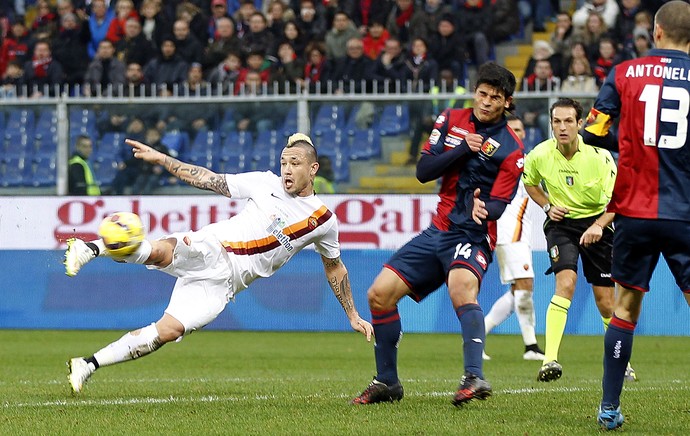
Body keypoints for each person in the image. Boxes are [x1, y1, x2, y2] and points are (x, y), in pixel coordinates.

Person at [64, 132, 374, 394]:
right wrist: (162, 160)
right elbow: (209, 180)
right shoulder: (264, 183)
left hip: (224, 285)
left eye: (295, 164)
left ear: (313, 168)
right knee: (162, 251)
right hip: (215, 248)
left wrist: (353, 314)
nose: (287, 170)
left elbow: (334, 267)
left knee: (168, 332)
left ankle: (87, 364)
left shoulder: (323, 221)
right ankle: (90, 247)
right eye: (284, 163)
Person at [351, 62, 524, 406]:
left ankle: (473, 377)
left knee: (461, 288)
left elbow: (500, 204)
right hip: (438, 231)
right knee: (378, 295)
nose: (487, 102)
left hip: (473, 236)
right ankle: (387, 381)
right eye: (483, 94)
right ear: (475, 92)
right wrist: (463, 148)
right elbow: (423, 171)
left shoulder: (512, 149)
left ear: (507, 102)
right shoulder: (450, 119)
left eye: (496, 97)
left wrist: (483, 210)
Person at [580, 1, 690, 430]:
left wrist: (632, 145)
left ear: (656, 32)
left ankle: (609, 407)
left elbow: (593, 131)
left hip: (635, 211)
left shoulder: (624, 73)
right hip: (684, 212)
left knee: (625, 308)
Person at [521, 98, 635, 384]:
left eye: (568, 121)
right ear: (551, 124)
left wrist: (598, 226)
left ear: (580, 124)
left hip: (599, 224)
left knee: (606, 303)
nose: (562, 127)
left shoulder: (600, 157)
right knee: (566, 283)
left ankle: (623, 361)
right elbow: (529, 182)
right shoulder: (540, 154)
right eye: (556, 121)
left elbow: (618, 201)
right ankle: (550, 361)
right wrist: (547, 206)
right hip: (562, 225)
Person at [482, 115, 545, 362]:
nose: (519, 133)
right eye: (513, 129)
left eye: (521, 129)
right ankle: (530, 346)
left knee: (519, 288)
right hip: (509, 231)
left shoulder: (526, 160)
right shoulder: (498, 159)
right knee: (525, 285)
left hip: (520, 232)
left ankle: (478, 335)